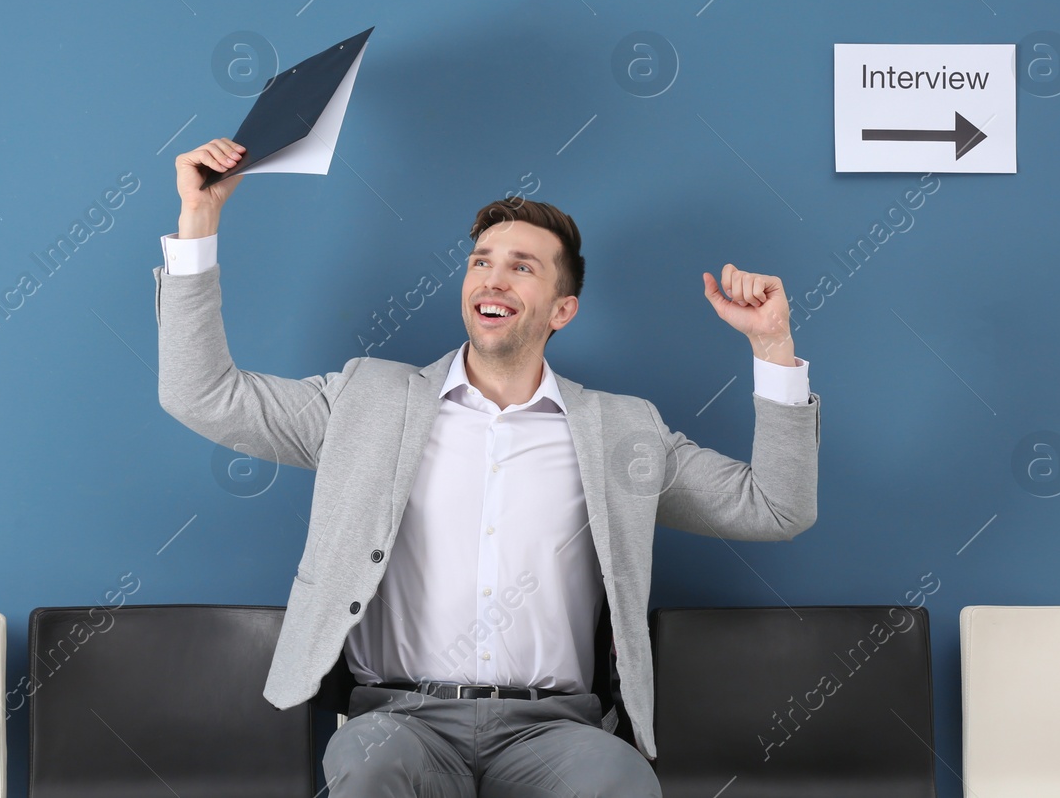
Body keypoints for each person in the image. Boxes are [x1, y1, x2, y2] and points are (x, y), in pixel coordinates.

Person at [155, 138, 821, 797]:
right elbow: (203, 394)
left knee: (622, 781)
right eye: (481, 261)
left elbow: (776, 507)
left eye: (523, 266)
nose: (493, 278)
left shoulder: (622, 430)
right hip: (398, 721)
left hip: (554, 729)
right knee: (365, 768)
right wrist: (199, 221)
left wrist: (773, 347)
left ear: (564, 309)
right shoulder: (366, 399)